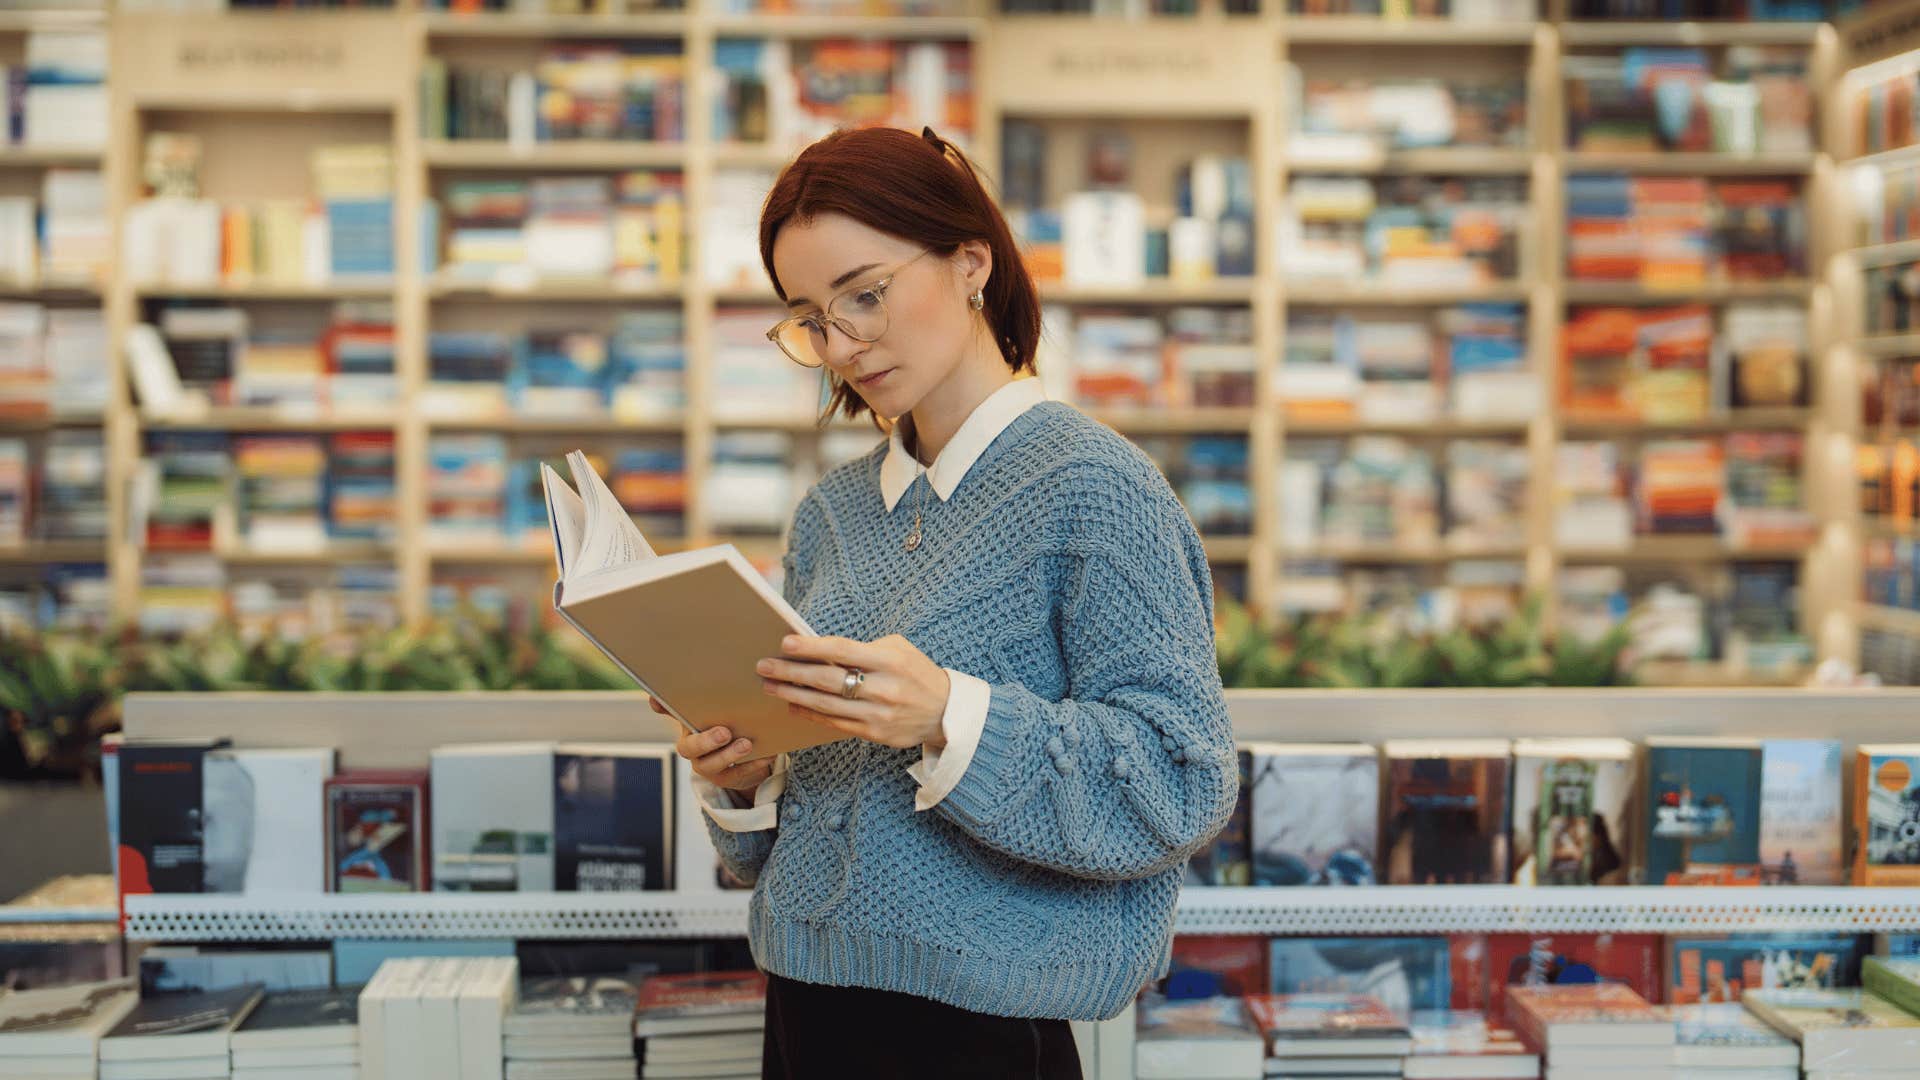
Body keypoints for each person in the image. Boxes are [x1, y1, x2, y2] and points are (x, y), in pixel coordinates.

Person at [658, 124, 1239, 1079]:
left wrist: (946, 717)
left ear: (972, 262)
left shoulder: (1095, 488)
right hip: (806, 1011)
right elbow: (772, 854)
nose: (843, 343)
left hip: (986, 1029)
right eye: (811, 316)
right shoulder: (833, 515)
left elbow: (1181, 781)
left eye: (866, 294)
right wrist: (744, 770)